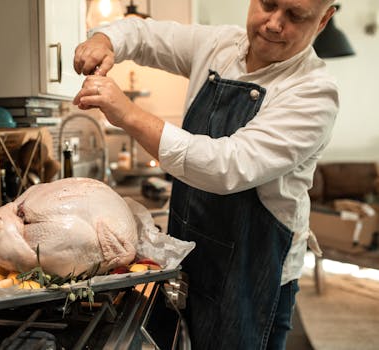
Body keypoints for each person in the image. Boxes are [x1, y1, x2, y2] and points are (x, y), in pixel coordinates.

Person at [73, 0, 338, 348]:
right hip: (189, 256)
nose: (274, 23)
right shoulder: (220, 45)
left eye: (295, 15)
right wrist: (106, 39)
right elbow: (145, 34)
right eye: (269, 4)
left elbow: (224, 166)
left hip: (250, 273)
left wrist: (129, 115)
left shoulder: (313, 93)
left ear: (323, 20)